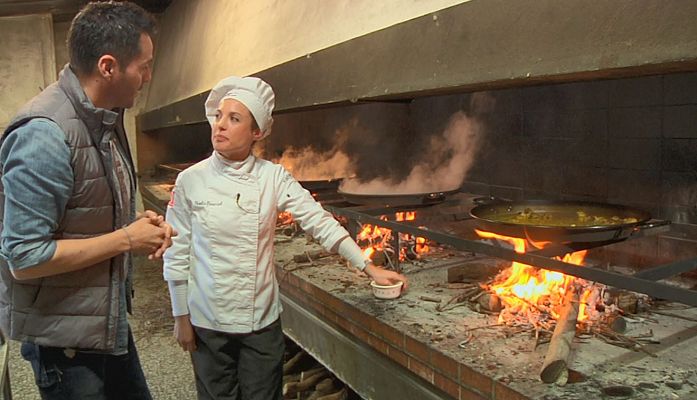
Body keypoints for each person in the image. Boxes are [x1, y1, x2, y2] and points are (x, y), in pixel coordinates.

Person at [163, 75, 408, 400]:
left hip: (260, 325)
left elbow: (319, 221)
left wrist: (368, 266)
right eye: (219, 115)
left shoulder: (272, 178)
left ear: (257, 133)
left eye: (234, 119)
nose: (220, 125)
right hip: (209, 323)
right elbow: (176, 251)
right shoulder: (190, 181)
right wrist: (181, 316)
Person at [0, 2, 173, 399]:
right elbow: (24, 258)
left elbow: (89, 207)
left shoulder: (104, 118)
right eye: (143, 66)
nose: (147, 77)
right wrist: (127, 239)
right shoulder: (44, 135)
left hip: (103, 324)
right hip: (66, 348)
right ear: (108, 67)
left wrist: (138, 224)